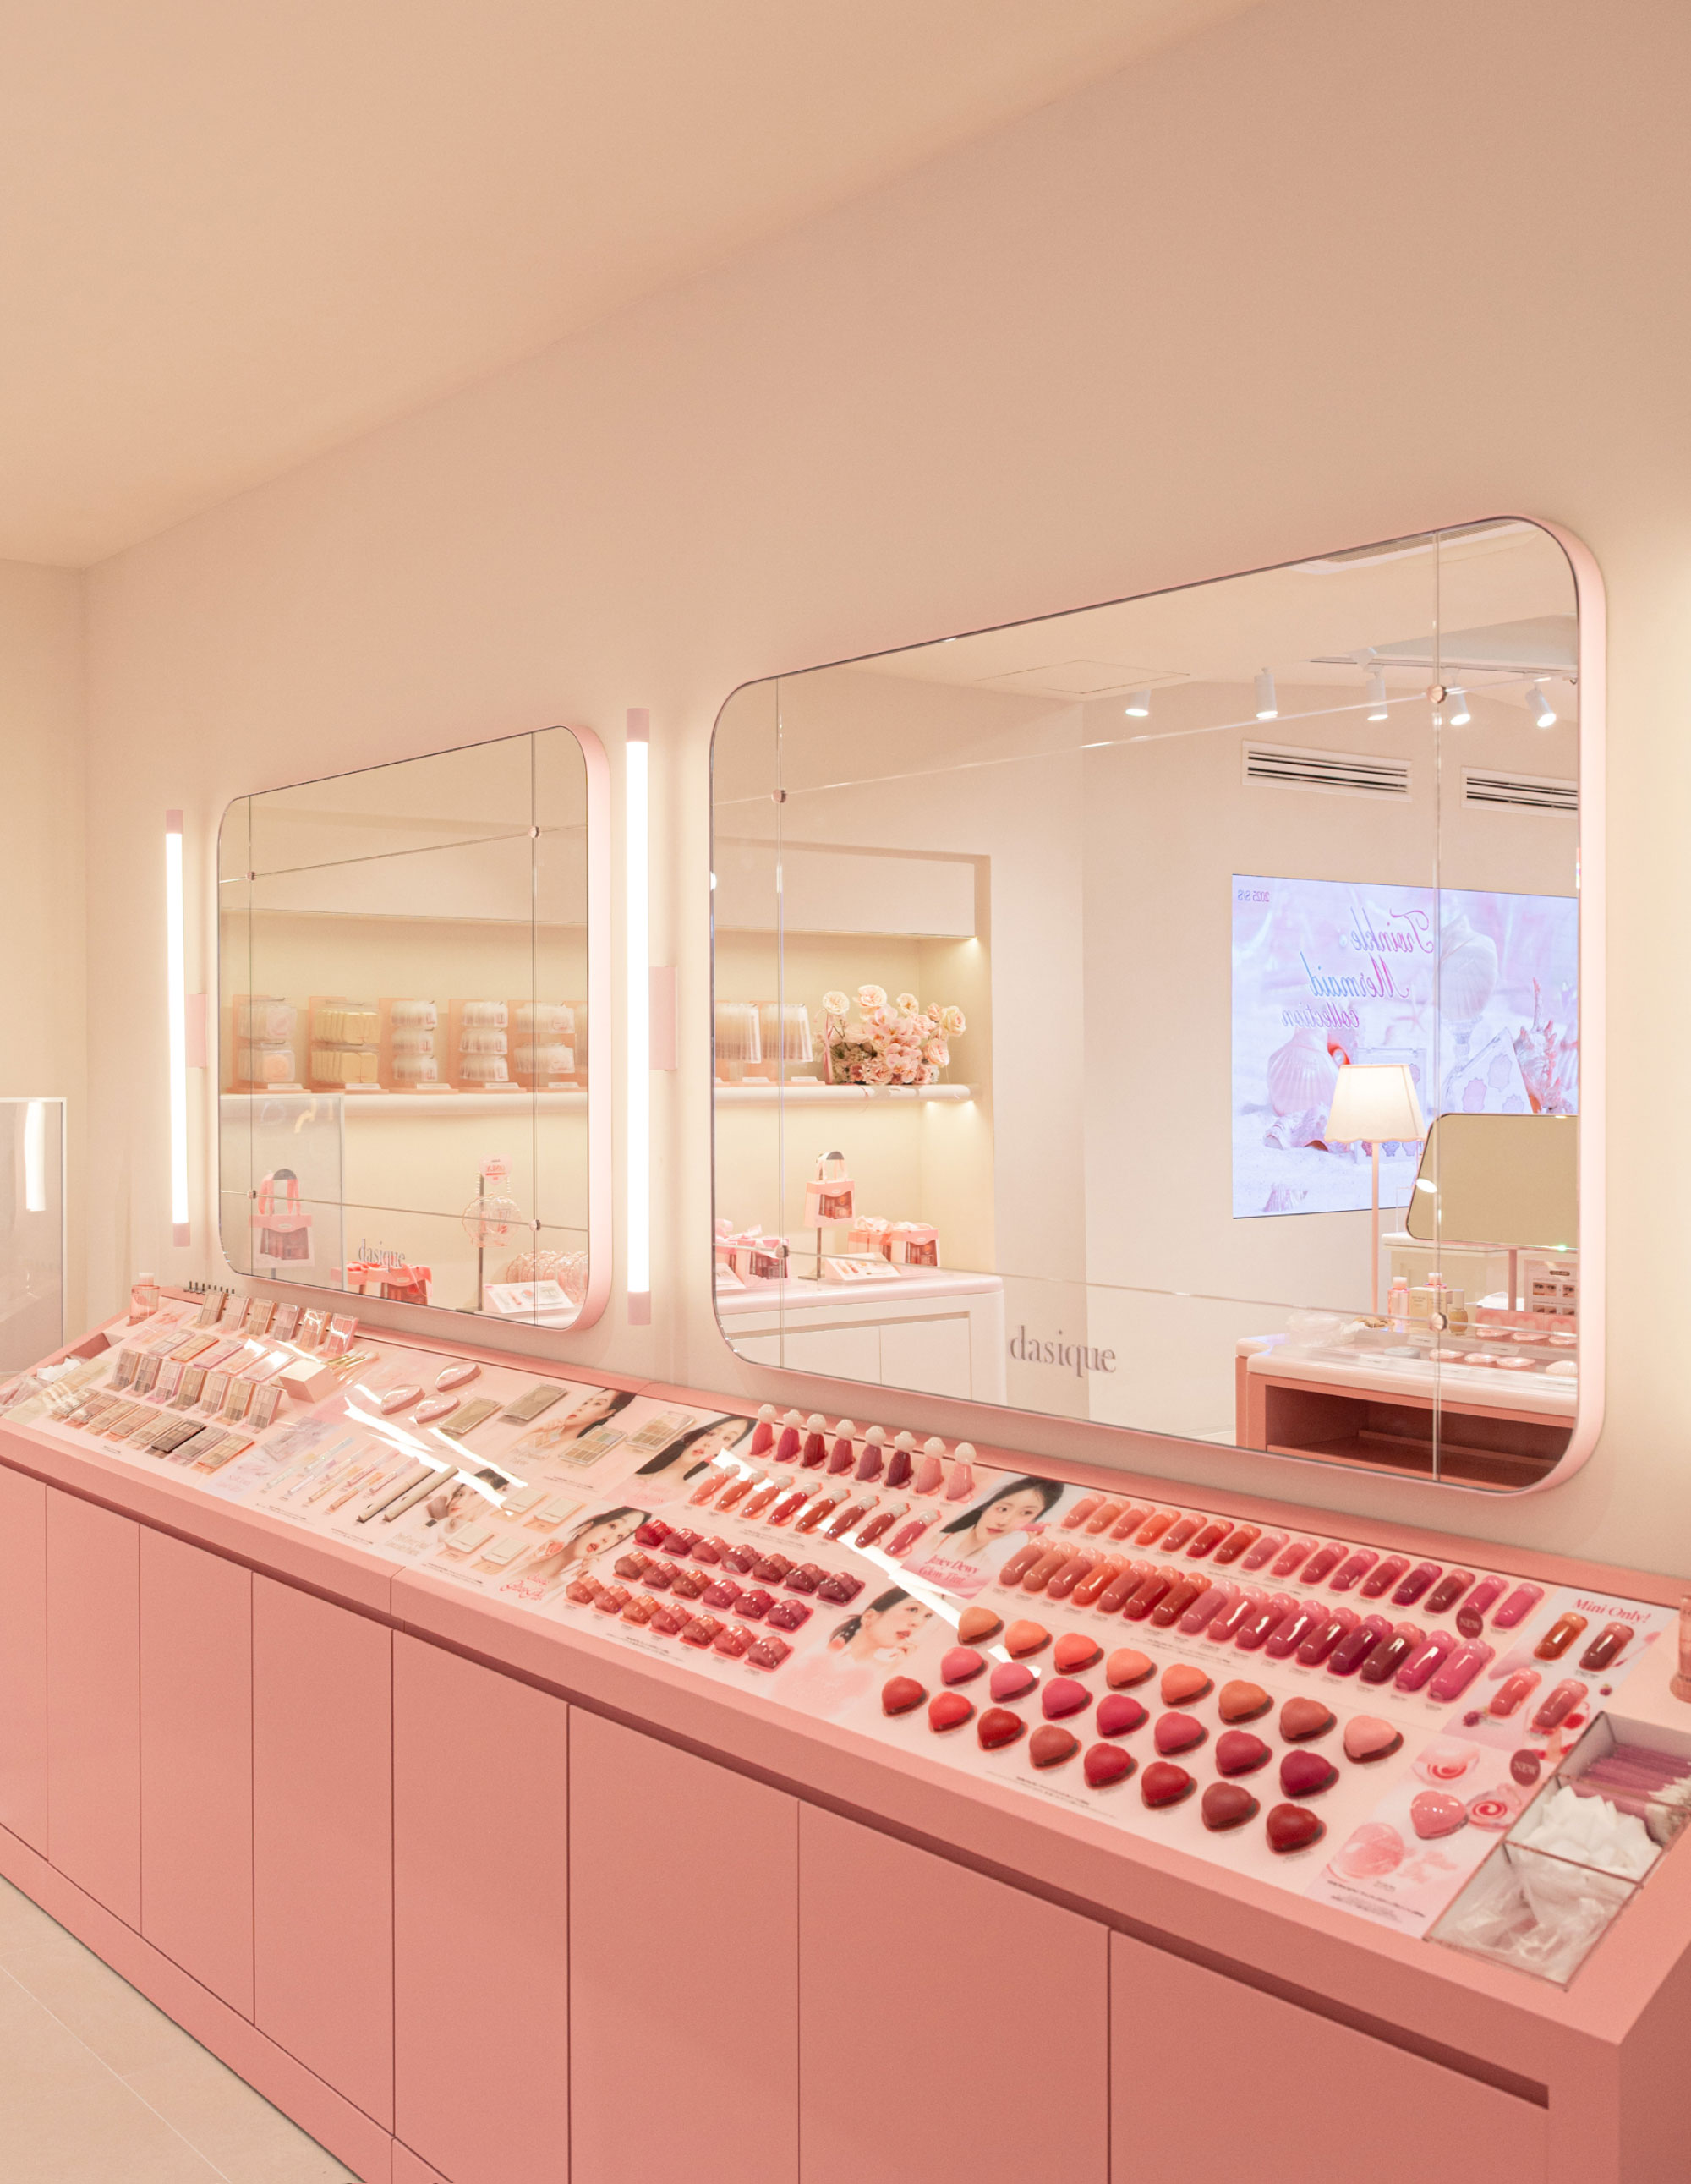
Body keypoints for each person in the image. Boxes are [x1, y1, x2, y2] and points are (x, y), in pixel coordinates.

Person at [777, 1585, 936, 1716]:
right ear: (869, 1616)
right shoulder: (820, 1652)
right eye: (913, 1609)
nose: (918, 1623)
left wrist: (893, 1670)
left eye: (927, 1616)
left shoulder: (884, 1672)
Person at [898, 1475, 1064, 1598]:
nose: (1004, 1521)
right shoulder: (932, 1542)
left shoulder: (989, 1568)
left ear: (1033, 1521)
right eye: (1003, 1509)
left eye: (1026, 1513)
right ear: (987, 1506)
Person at [515, 1503, 648, 1596]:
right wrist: (522, 1561)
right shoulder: (525, 1559)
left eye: (620, 1536)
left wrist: (585, 1583)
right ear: (587, 1527)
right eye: (612, 1526)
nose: (607, 1539)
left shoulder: (566, 1588)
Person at [627, 1414, 754, 1501]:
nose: (710, 1443)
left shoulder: (686, 1494)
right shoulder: (633, 1472)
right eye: (711, 1433)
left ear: (729, 1449)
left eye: (726, 1439)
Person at [512, 1384, 637, 1463]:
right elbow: (502, 1457)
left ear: (606, 1413)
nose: (581, 1408)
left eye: (597, 1404)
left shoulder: (571, 1447)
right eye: (586, 1402)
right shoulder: (546, 1435)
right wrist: (536, 1430)